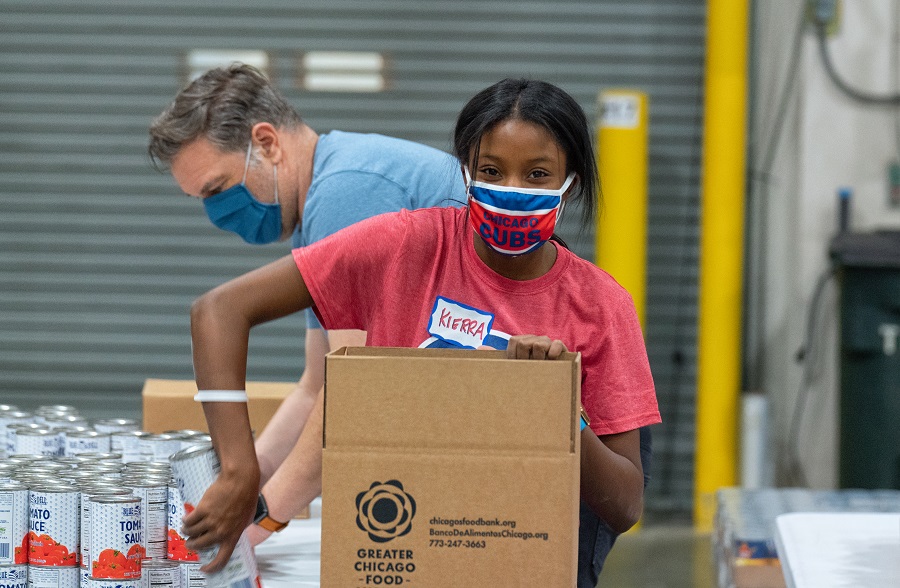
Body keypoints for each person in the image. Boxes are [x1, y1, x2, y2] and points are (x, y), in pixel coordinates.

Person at [186, 78, 661, 585]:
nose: (512, 191)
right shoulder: (406, 247)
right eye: (491, 171)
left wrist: (558, 406)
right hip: (405, 550)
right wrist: (239, 474)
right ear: (466, 172)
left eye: (538, 174)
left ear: (571, 181)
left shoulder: (599, 305)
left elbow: (625, 505)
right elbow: (219, 311)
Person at [147, 63, 466, 566]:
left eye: (216, 189)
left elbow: (357, 395)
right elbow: (317, 385)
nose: (215, 214)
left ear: (268, 143)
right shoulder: (320, 207)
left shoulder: (347, 195)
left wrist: (259, 522)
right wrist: (236, 485)